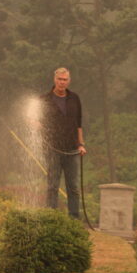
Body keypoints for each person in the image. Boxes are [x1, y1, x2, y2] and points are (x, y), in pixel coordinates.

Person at [39, 67, 86, 218]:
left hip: (72, 150)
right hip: (53, 149)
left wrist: (81, 145)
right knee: (52, 186)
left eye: (65, 80)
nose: (62, 82)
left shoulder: (75, 98)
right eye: (60, 79)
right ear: (55, 80)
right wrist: (34, 123)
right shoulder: (44, 100)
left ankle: (74, 219)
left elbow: (78, 124)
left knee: (73, 187)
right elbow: (34, 120)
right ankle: (51, 217)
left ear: (69, 81)